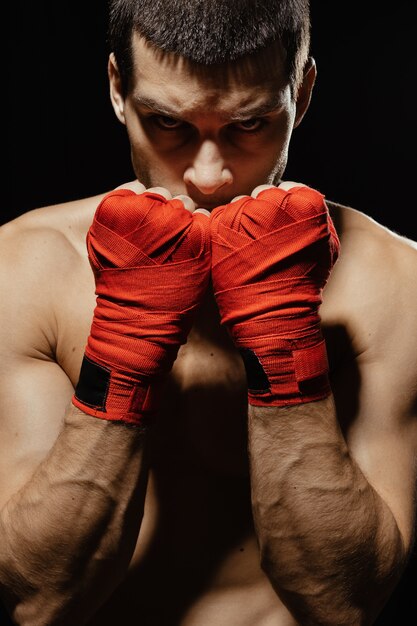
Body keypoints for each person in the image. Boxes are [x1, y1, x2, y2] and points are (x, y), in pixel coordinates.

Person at [0, 1, 416, 625]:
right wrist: (124, 344)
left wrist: (284, 338)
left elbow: (342, 605)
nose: (209, 175)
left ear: (300, 94)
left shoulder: (394, 282)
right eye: (168, 123)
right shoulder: (25, 269)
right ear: (119, 89)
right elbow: (41, 601)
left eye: (249, 125)